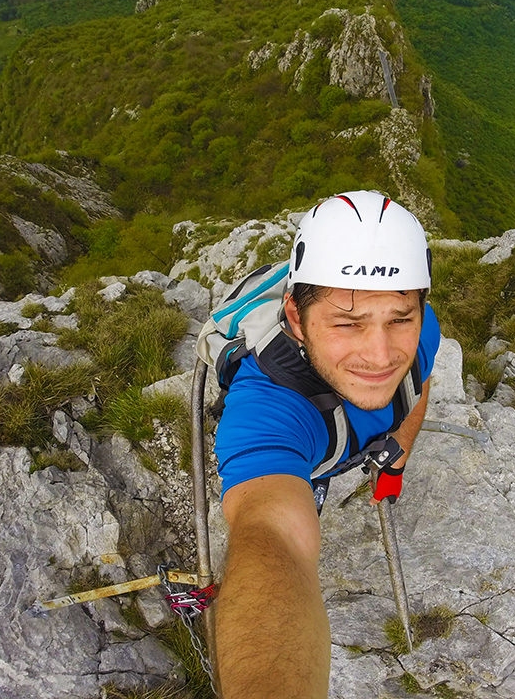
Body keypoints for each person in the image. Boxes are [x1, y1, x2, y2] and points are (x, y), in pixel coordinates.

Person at [209, 190, 441, 698]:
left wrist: (397, 451)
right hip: (305, 441)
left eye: (399, 318)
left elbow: (419, 381)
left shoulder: (424, 332)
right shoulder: (267, 412)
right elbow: (275, 531)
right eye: (347, 323)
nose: (380, 355)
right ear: (294, 316)